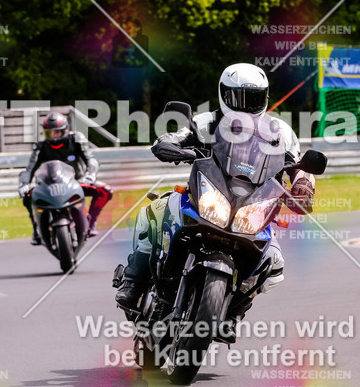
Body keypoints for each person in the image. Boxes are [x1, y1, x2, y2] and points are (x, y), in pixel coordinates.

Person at [114, 62, 316, 311]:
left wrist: (303, 185)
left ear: (264, 97)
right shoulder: (206, 121)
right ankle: (133, 282)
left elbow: (299, 165)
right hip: (207, 194)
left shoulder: (280, 132)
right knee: (153, 210)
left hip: (252, 205)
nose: (246, 105)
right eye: (239, 97)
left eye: (253, 98)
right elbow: (178, 135)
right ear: (224, 93)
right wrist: (169, 144)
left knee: (274, 261)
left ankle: (234, 312)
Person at [19, 111, 113, 244]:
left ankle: (91, 221)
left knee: (105, 191)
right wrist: (24, 184)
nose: (53, 135)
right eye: (49, 132)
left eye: (57, 132)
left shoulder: (76, 139)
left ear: (65, 130)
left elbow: (91, 160)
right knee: (27, 195)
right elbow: (29, 170)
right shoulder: (40, 147)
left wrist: (90, 175)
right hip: (50, 187)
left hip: (78, 182)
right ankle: (37, 229)